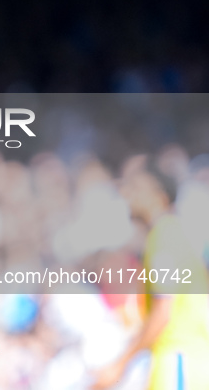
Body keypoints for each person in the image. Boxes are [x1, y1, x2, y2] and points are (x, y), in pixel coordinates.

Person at [91, 157, 209, 389]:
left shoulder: (164, 237)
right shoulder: (174, 233)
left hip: (178, 361)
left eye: (136, 188)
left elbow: (163, 311)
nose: (127, 196)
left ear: (159, 196)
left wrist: (121, 363)